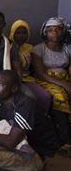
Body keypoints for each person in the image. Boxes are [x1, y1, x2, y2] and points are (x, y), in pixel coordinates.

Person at [31, 17, 71, 156]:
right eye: (51, 30)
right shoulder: (38, 49)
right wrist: (64, 84)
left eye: (58, 30)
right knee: (60, 96)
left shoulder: (67, 49)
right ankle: (64, 141)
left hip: (65, 79)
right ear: (45, 33)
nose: (55, 33)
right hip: (47, 81)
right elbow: (40, 74)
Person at [9, 19, 51, 111]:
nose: (21, 36)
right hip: (14, 80)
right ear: (12, 33)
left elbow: (35, 67)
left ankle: (41, 119)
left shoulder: (30, 48)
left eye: (24, 33)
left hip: (29, 79)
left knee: (45, 96)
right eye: (18, 33)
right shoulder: (8, 47)